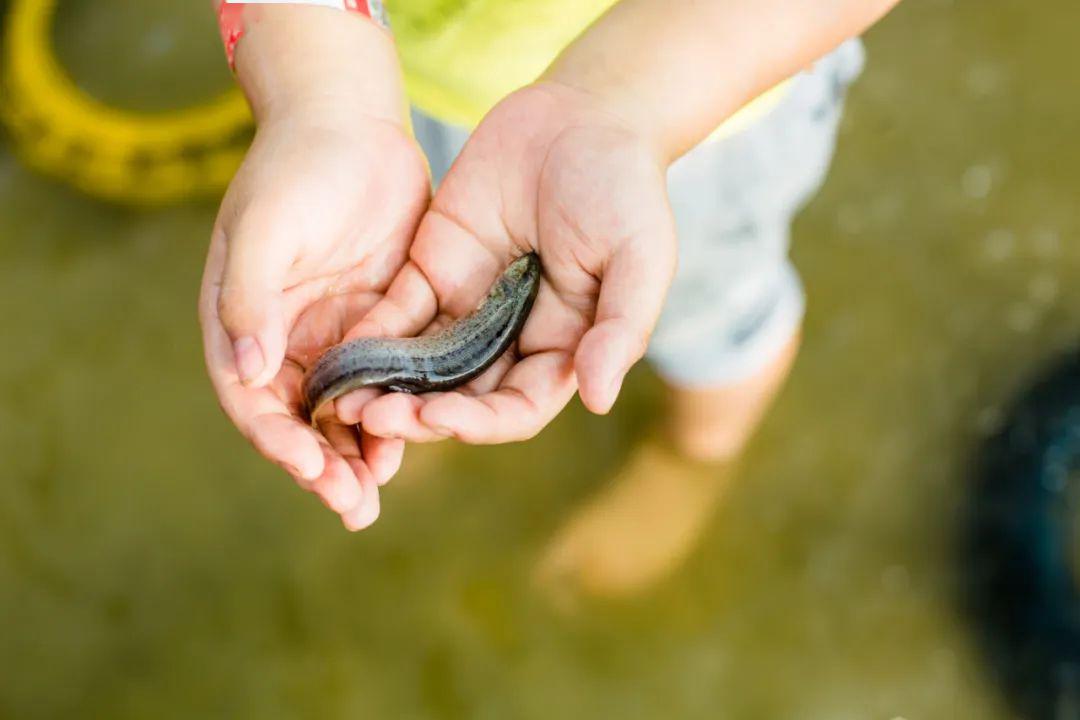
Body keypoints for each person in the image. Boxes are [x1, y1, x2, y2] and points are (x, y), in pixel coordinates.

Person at [199, 0, 902, 597]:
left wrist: (622, 107)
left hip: (710, 95)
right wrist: (320, 95)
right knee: (413, 260)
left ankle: (694, 453)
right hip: (393, 87)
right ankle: (399, 416)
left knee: (711, 313)